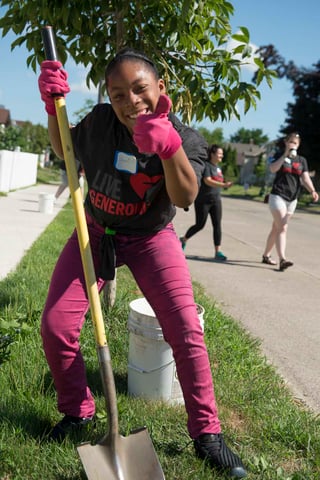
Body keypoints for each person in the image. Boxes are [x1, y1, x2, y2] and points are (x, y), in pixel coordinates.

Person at [38, 48, 247, 478]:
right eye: (118, 94)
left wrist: (167, 146)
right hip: (97, 234)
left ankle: (207, 435)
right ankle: (79, 411)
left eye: (139, 89)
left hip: (152, 238)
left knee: (186, 328)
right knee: (57, 327)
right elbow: (64, 151)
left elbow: (186, 197)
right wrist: (51, 106)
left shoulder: (187, 139)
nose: (131, 101)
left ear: (160, 88)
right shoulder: (99, 123)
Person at [262, 132, 318, 271]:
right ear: (286, 142)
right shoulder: (279, 155)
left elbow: (305, 178)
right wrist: (285, 154)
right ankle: (283, 259)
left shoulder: (301, 160)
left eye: (295, 143)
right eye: (291, 142)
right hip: (277, 196)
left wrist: (312, 190)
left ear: (298, 145)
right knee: (283, 227)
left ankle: (266, 255)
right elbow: (273, 168)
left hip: (292, 199)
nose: (293, 145)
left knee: (276, 227)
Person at [180, 144, 232, 261]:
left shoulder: (218, 168)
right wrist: (224, 185)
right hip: (203, 200)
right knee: (200, 225)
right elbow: (207, 181)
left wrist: (223, 184)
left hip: (216, 200)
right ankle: (184, 239)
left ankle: (218, 251)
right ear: (212, 154)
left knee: (217, 225)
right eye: (219, 154)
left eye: (222, 154)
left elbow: (217, 180)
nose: (221, 156)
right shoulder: (207, 166)